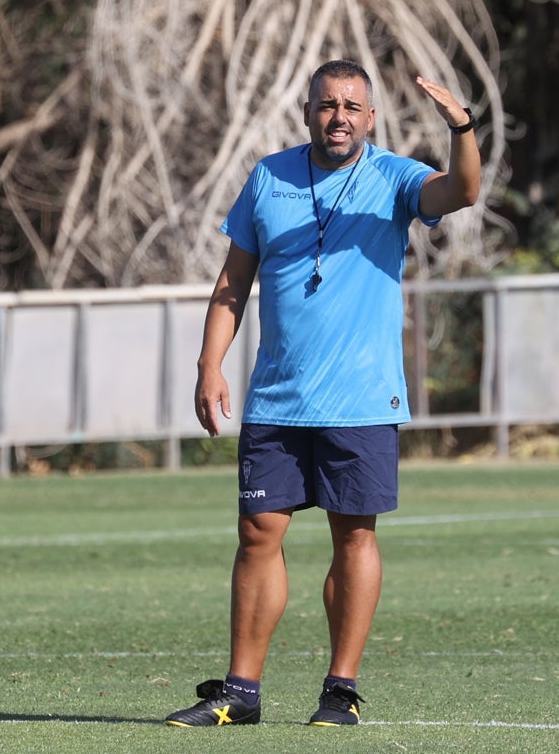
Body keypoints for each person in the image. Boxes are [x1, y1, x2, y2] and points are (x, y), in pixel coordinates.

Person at [165, 59, 481, 728]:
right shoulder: (269, 178)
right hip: (277, 397)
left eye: (352, 106)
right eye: (327, 104)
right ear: (307, 112)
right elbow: (232, 284)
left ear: (369, 118)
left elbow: (462, 191)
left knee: (353, 536)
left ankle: (341, 692)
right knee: (257, 532)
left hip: (361, 398)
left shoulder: (395, 178)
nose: (339, 115)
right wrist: (209, 363)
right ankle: (239, 695)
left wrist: (461, 126)